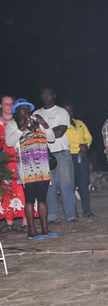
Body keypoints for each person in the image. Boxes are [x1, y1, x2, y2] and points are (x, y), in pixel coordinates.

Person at [6, 99, 54, 239]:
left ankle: (45, 229)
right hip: (27, 167)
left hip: (43, 166)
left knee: (42, 199)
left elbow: (51, 138)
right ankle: (31, 230)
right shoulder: (12, 125)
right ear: (16, 112)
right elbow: (9, 142)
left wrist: (44, 124)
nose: (26, 111)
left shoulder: (37, 123)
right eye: (22, 109)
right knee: (29, 200)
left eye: (28, 108)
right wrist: (22, 127)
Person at [35, 87, 76, 223]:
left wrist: (44, 129)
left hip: (61, 152)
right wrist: (49, 131)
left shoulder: (62, 112)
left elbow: (59, 133)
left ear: (54, 95)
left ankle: (71, 215)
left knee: (66, 185)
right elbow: (34, 134)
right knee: (49, 187)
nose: (46, 96)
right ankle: (53, 215)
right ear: (41, 96)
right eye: (44, 94)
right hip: (43, 153)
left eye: (49, 93)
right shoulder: (36, 113)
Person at [1, 95, 28, 232]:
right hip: (4, 161)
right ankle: (9, 223)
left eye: (12, 104)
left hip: (19, 159)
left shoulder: (18, 121)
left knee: (22, 191)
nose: (9, 106)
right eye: (6, 104)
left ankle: (25, 222)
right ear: (1, 106)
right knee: (6, 192)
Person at [63, 103, 94, 217]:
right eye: (66, 111)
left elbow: (89, 137)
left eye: (70, 111)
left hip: (83, 155)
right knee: (71, 185)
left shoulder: (80, 123)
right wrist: (78, 146)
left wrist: (86, 146)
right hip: (70, 156)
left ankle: (87, 210)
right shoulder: (62, 125)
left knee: (84, 184)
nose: (69, 113)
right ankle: (72, 211)